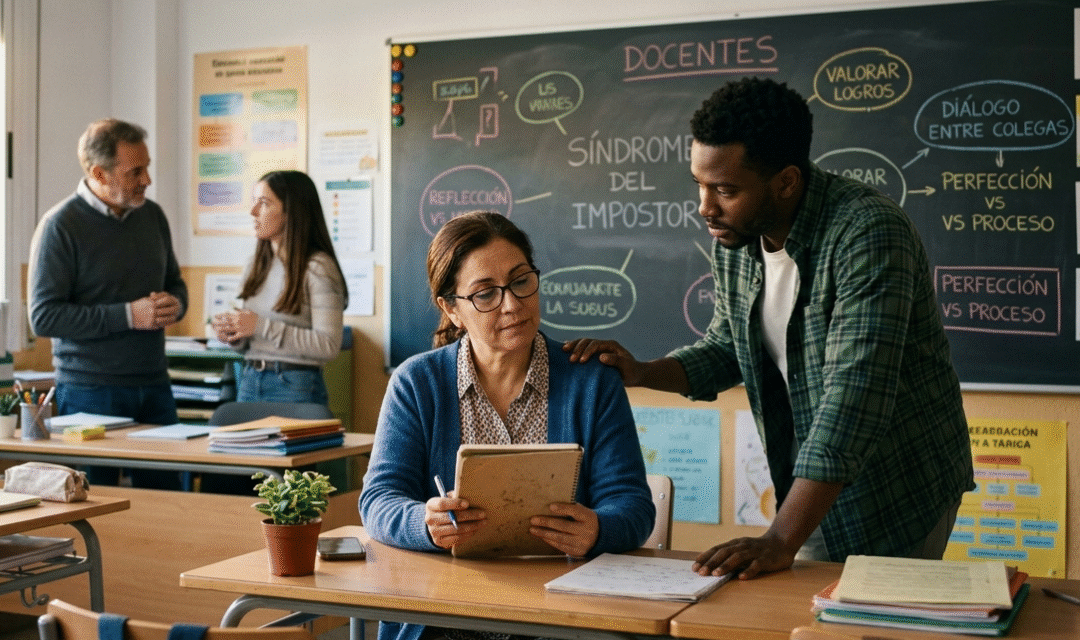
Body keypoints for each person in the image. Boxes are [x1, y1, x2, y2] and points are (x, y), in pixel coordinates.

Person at [565, 77, 974, 580]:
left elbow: (853, 399)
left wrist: (780, 539)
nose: (705, 207)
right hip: (812, 482)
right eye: (699, 184)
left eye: (725, 190)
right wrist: (644, 371)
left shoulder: (868, 233)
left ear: (785, 182)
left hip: (898, 488)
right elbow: (726, 349)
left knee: (875, 624)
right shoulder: (738, 238)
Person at [360, 211, 654, 640]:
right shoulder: (416, 383)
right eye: (485, 294)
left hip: (560, 619)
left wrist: (598, 529)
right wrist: (423, 523)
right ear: (451, 308)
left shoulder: (593, 382)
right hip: (445, 617)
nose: (513, 304)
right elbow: (379, 499)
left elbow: (632, 505)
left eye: (521, 281)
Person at [27, 118, 188, 488]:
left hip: (154, 385)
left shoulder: (153, 216)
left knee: (172, 505)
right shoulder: (60, 226)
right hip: (89, 392)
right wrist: (129, 315)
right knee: (97, 504)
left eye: (147, 168)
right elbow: (44, 316)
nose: (147, 180)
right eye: (136, 171)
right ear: (99, 173)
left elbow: (176, 284)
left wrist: (173, 305)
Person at [212, 170, 348, 405]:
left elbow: (328, 345)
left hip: (295, 386)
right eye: (254, 202)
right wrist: (234, 335)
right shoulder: (254, 265)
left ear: (290, 212)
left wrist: (261, 326)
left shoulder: (318, 268)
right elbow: (250, 342)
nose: (253, 212)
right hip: (250, 380)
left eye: (263, 203)